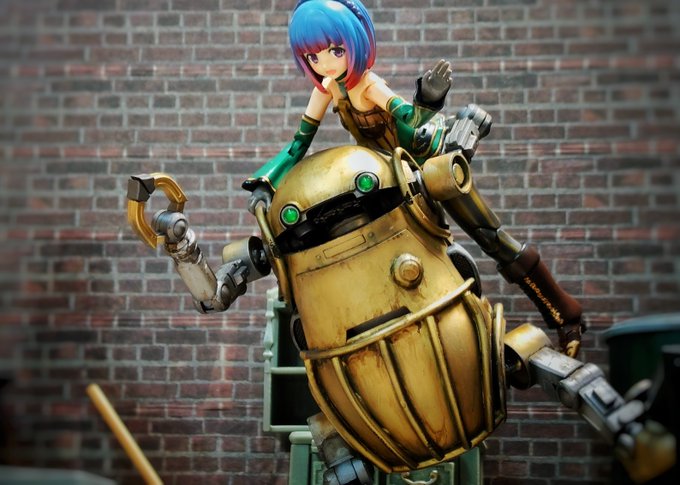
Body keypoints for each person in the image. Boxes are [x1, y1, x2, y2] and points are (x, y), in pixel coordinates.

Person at [243, 0, 483, 212]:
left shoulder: (369, 84)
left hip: (416, 153)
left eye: (336, 51)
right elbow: (299, 143)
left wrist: (428, 97)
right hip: (378, 167)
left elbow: (410, 119)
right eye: (313, 57)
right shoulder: (326, 89)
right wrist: (267, 182)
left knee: (468, 212)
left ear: (354, 41)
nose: (324, 64)